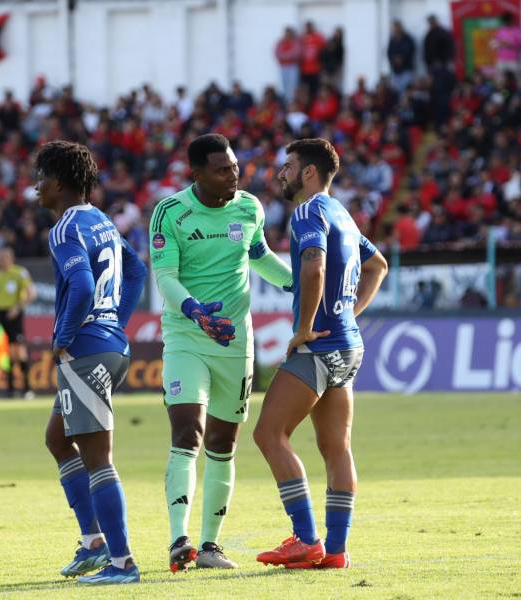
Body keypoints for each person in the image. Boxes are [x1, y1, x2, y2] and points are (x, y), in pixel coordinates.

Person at [148, 133, 292, 572]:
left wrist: (299, 285)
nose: (233, 174)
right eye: (222, 169)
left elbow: (259, 256)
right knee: (187, 430)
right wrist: (194, 311)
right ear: (197, 174)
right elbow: (166, 278)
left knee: (223, 443)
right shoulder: (170, 213)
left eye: (234, 166)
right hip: (187, 338)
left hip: (235, 343)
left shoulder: (249, 207)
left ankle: (211, 547)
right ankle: (179, 540)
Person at [253, 138, 388, 569]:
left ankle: (307, 538)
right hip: (349, 345)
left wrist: (306, 326)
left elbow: (313, 266)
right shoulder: (342, 214)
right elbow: (378, 265)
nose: (281, 173)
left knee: (268, 435)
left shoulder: (309, 212)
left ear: (309, 171)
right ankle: (336, 550)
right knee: (336, 448)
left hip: (319, 345)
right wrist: (349, 310)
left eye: (288, 166)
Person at [37, 140, 147, 585]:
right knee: (58, 439)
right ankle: (93, 542)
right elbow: (136, 270)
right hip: (110, 347)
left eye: (40, 178)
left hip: (84, 351)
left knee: (99, 459)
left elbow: (81, 284)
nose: (35, 188)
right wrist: (114, 323)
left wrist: (62, 337)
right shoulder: (101, 220)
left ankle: (122, 563)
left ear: (59, 182)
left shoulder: (64, 228)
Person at [0, 246, 37, 399]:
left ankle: (27, 389)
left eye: (3, 257)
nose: (0, 261)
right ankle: (9, 390)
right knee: (5, 352)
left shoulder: (20, 273)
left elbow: (31, 294)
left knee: (19, 351)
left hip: (14, 314)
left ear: (10, 258)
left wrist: (17, 308)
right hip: (1, 315)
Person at [387, 20, 416, 93]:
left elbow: (410, 51)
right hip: (396, 70)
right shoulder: (392, 40)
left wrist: (402, 59)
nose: (396, 30)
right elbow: (389, 52)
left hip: (406, 69)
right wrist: (394, 60)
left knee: (406, 89)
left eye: (397, 27)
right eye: (394, 28)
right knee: (396, 90)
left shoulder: (408, 39)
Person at [300, 21, 327, 98]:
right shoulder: (302, 38)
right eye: (307, 27)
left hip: (315, 69)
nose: (308, 29)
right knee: (305, 89)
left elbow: (324, 49)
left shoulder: (318, 37)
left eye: (310, 27)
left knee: (315, 89)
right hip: (304, 69)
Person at [276, 27, 302, 103]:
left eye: (289, 33)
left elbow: (296, 53)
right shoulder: (281, 42)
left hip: (292, 66)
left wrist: (285, 56)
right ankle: (286, 101)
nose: (287, 35)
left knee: (293, 85)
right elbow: (277, 53)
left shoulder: (295, 42)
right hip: (283, 66)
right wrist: (287, 56)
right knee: (284, 84)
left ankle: (293, 101)